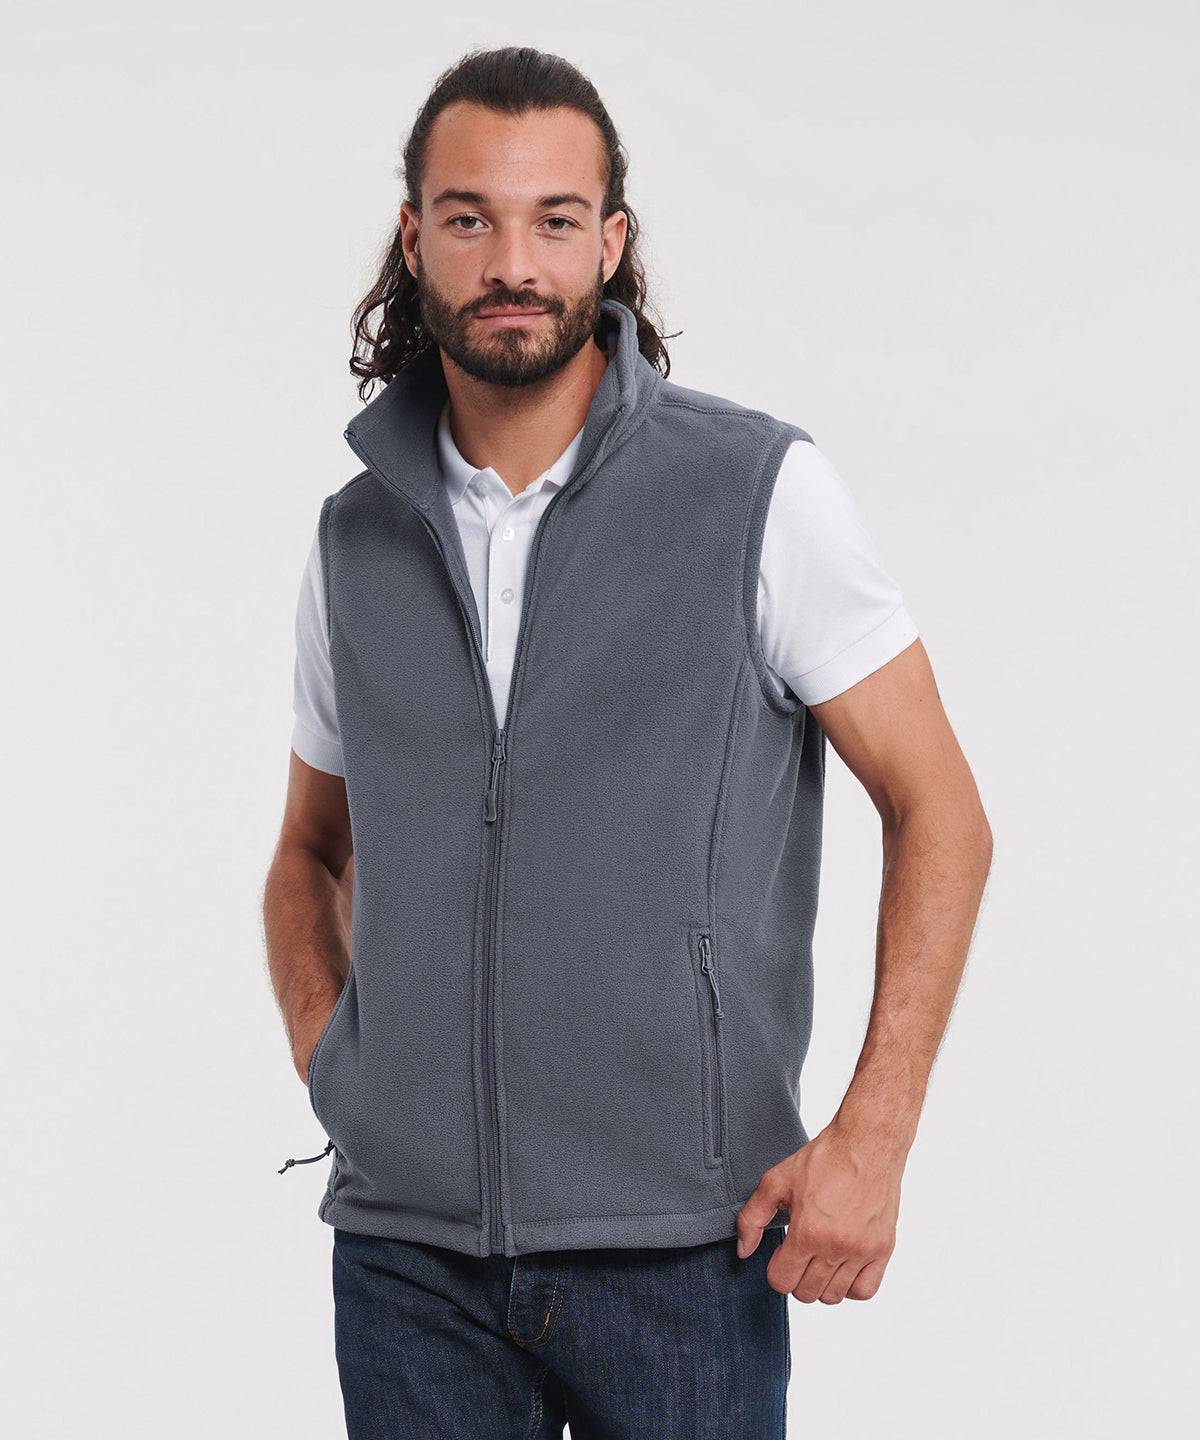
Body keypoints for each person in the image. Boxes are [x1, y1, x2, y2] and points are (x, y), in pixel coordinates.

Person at [263, 45, 993, 1440]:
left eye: (554, 220)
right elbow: (310, 848)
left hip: (685, 1249)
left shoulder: (756, 491)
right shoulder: (357, 536)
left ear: (610, 241)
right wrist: (338, 1063)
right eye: (470, 217)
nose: (512, 262)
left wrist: (875, 1136)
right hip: (408, 1257)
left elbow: (939, 807)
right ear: (413, 239)